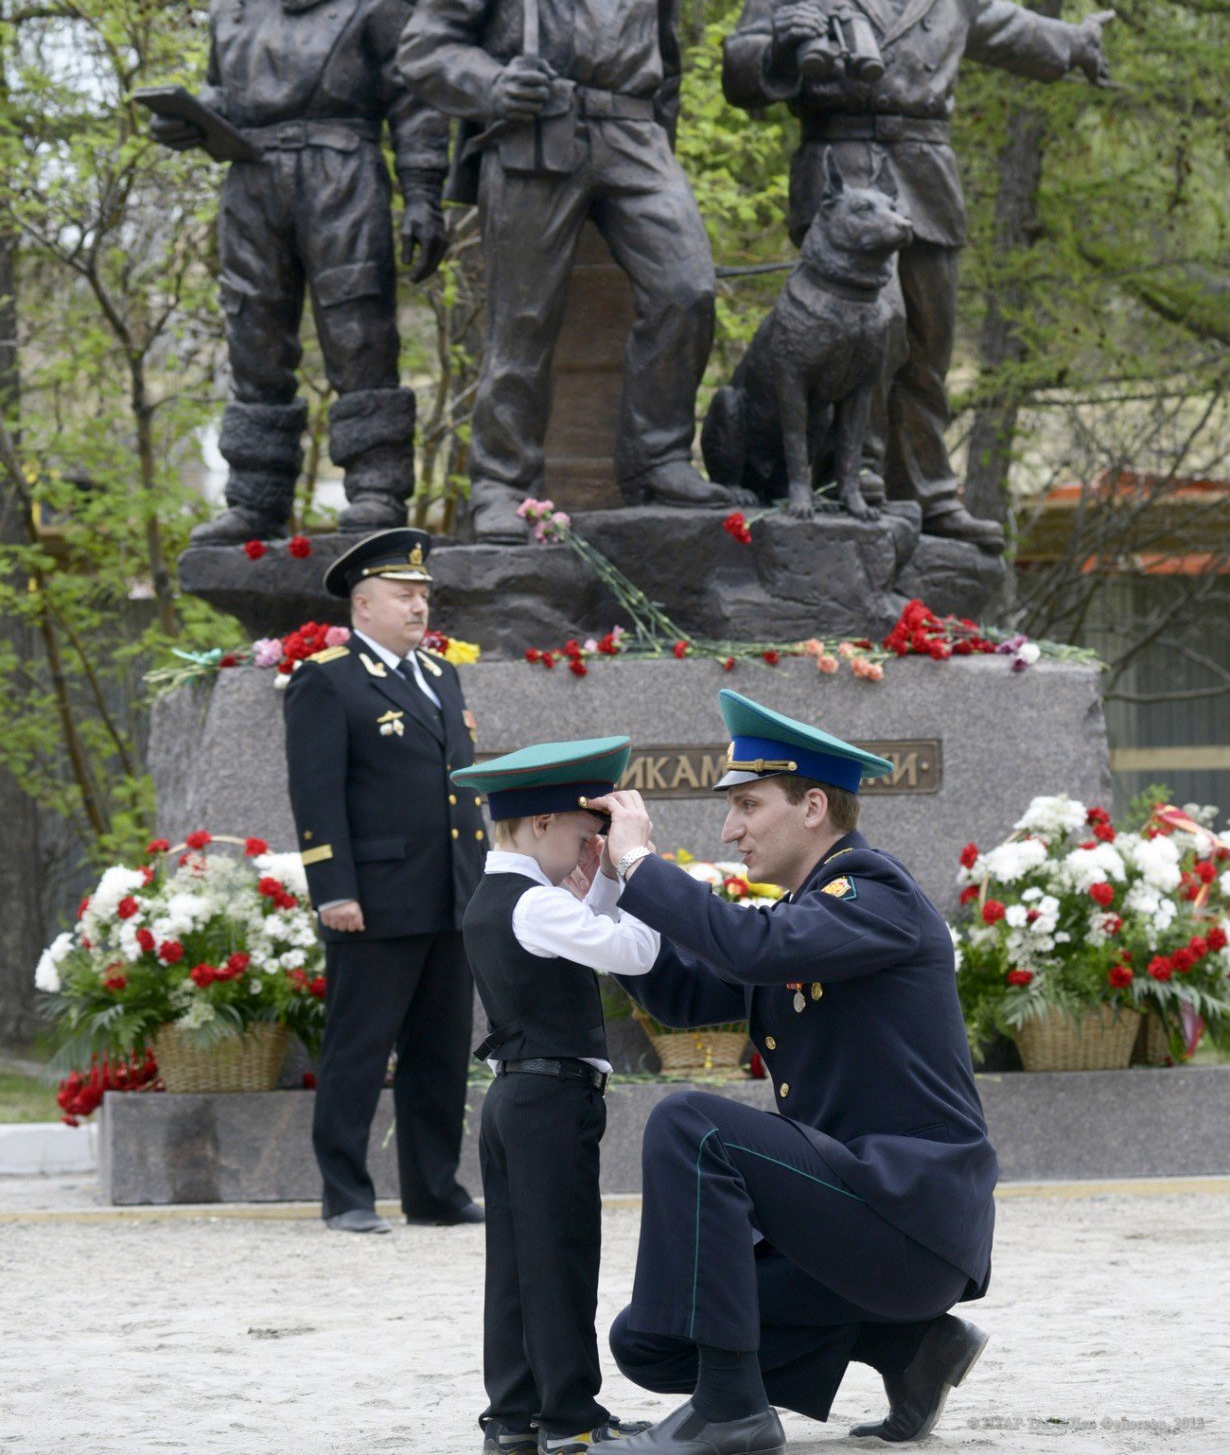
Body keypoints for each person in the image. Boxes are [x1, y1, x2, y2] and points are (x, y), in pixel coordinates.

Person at [584, 690, 996, 1452]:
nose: (729, 827)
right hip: (853, 1222)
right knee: (651, 1338)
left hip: (908, 1222)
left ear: (813, 806)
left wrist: (643, 860)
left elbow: (752, 950)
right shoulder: (807, 915)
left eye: (747, 804)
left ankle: (733, 1411)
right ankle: (909, 1347)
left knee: (691, 1122)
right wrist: (605, 894)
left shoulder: (876, 894)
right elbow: (683, 992)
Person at [722, 0, 1114, 552]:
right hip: (842, 169)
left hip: (925, 171)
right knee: (866, 327)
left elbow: (1006, 28)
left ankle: (930, 494)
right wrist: (781, 41)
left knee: (929, 341)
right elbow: (739, 68)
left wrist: (1075, 45)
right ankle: (856, 479)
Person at [397, 0, 748, 542]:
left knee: (688, 288)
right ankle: (501, 485)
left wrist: (660, 155)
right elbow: (423, 50)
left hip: (632, 137)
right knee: (521, 322)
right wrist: (491, 83)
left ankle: (656, 459)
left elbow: (670, 61)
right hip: (533, 140)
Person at [152, 0, 450, 543]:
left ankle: (377, 488)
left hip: (341, 167)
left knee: (358, 328)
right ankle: (256, 496)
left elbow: (415, 97)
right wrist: (193, 118)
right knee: (253, 331)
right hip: (252, 176)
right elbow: (228, 89)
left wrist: (423, 194)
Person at [452, 737, 660, 1455]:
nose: (589, 847)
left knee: (517, 1264)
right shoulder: (536, 906)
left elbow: (586, 934)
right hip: (554, 1099)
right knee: (562, 1258)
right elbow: (633, 950)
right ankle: (572, 1416)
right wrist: (637, 867)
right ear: (541, 822)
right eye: (583, 833)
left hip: (517, 1097)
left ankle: (514, 1414)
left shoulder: (506, 897)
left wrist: (600, 883)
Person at [283, 528, 486, 1233]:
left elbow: (460, 792)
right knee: (359, 1050)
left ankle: (434, 1191)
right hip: (373, 900)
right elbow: (316, 795)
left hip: (448, 897)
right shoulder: (327, 678)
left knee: (440, 1054)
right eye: (404, 595)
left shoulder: (441, 676)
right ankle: (346, 1192)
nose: (419, 606)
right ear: (362, 605)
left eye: (424, 595)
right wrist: (333, 888)